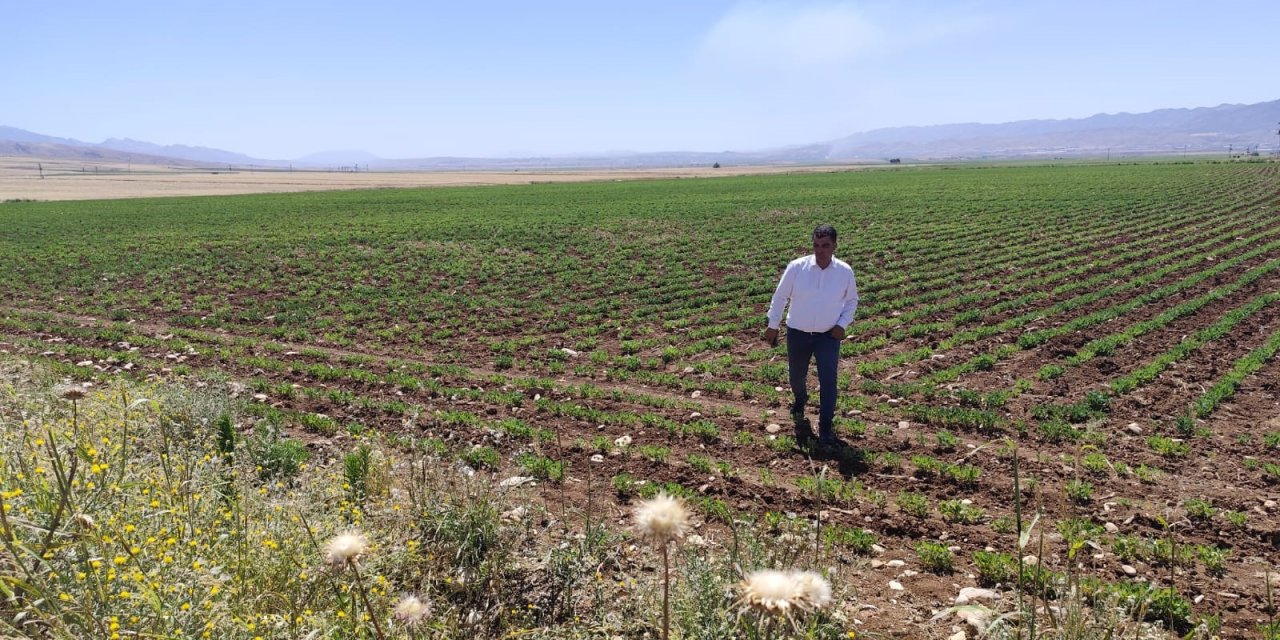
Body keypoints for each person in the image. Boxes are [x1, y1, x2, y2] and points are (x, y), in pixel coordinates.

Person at [764, 224, 859, 447]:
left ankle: (826, 426)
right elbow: (780, 297)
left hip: (828, 336)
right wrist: (773, 324)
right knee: (796, 376)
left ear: (835, 245)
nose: (820, 250)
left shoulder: (844, 271)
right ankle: (800, 399)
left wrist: (842, 324)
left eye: (826, 245)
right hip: (798, 333)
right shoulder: (797, 268)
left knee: (828, 381)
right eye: (816, 245)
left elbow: (852, 300)